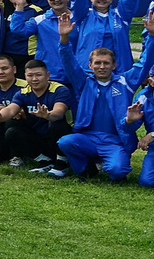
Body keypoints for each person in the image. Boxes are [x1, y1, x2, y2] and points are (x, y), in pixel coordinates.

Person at [51, 46, 136, 182]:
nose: (102, 67)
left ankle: (113, 163)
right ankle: (87, 170)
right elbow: (69, 61)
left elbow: (144, 64)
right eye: (97, 63)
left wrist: (153, 37)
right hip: (88, 139)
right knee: (66, 142)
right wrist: (64, 40)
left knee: (117, 172)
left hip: (114, 142)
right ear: (90, 65)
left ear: (114, 65)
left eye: (106, 63)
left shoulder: (125, 81)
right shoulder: (84, 82)